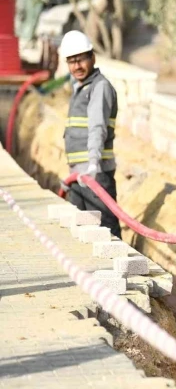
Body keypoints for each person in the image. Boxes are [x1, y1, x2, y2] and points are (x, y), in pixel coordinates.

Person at [59, 30, 121, 238]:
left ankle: (121, 268)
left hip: (96, 173)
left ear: (92, 57)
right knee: (82, 231)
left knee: (106, 229)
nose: (76, 66)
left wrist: (93, 164)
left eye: (81, 60)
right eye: (71, 61)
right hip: (79, 175)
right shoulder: (82, 88)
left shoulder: (99, 87)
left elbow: (97, 127)